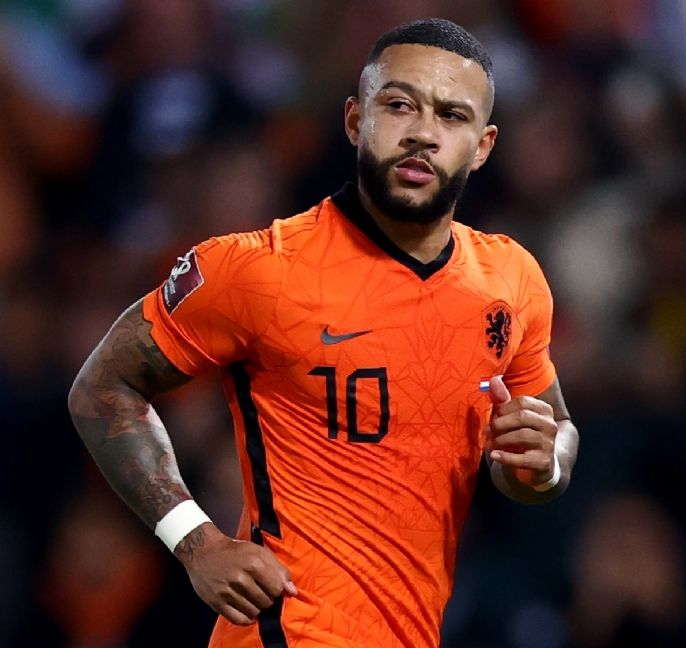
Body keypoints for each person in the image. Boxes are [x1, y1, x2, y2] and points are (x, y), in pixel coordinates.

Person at [68, 18, 579, 647]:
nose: (423, 133)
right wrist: (194, 540)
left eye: (452, 116)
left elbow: (551, 434)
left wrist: (545, 463)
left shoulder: (511, 280)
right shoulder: (258, 269)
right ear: (355, 120)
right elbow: (103, 386)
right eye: (399, 105)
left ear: (483, 146)